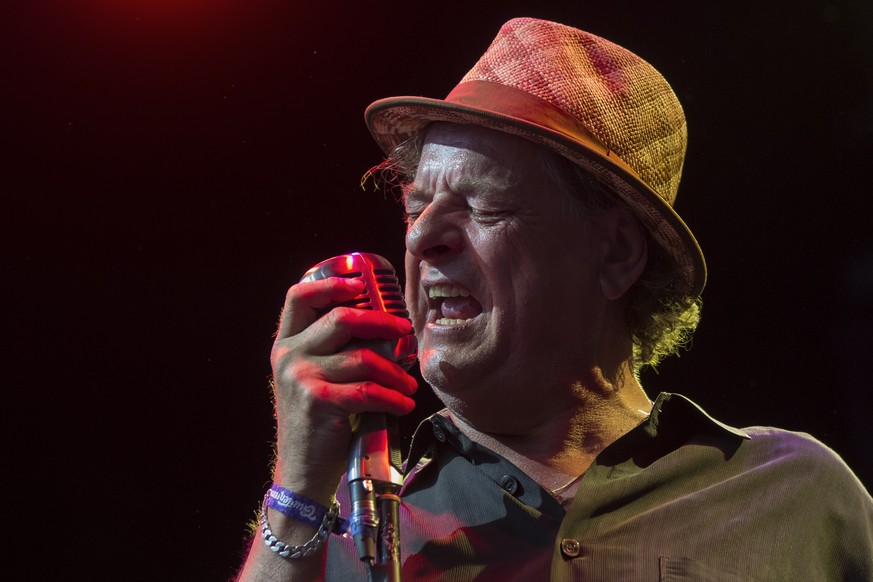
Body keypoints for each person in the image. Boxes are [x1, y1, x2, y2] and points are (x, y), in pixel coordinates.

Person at [237, 17, 873, 581]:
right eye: (415, 206)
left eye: (483, 204)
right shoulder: (341, 532)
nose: (423, 237)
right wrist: (296, 495)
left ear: (616, 252)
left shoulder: (797, 498)